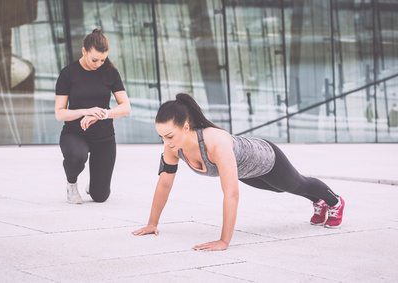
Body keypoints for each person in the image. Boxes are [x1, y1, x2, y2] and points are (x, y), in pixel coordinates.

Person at [132, 93, 345, 251]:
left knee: (296, 184)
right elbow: (164, 183)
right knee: (282, 189)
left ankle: (334, 201)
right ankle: (318, 202)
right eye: (161, 137)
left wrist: (224, 241)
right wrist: (152, 223)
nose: (165, 142)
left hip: (267, 158)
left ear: (186, 127)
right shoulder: (173, 149)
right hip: (247, 171)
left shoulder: (215, 142)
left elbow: (231, 194)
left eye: (169, 136)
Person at [55, 28, 130, 204]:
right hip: (74, 133)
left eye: (103, 60)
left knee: (100, 196)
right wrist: (85, 111)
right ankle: (71, 184)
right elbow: (60, 113)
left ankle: (96, 183)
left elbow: (126, 107)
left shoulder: (110, 72)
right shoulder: (68, 73)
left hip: (103, 136)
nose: (98, 64)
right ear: (84, 51)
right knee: (77, 156)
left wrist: (103, 114)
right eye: (94, 59)